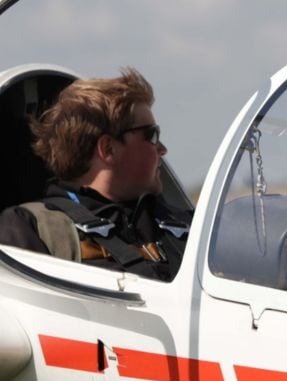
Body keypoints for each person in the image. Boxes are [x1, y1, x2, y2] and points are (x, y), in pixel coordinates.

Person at [0, 68, 190, 281]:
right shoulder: (32, 228)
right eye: (152, 135)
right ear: (108, 149)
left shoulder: (183, 225)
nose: (162, 149)